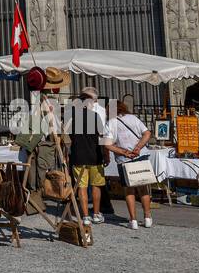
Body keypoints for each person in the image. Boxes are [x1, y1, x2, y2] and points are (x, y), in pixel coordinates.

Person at [65, 87, 111, 225]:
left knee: (82, 187)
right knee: (96, 186)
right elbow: (102, 137)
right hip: (95, 155)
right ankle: (96, 214)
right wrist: (106, 154)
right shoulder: (95, 116)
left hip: (78, 155)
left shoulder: (71, 118)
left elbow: (69, 138)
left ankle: (85, 216)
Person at [108, 95, 152, 229]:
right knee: (143, 188)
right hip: (140, 156)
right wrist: (138, 147)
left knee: (129, 191)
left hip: (124, 159)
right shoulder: (133, 118)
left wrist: (124, 152)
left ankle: (133, 220)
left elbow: (107, 145)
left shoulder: (110, 123)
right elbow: (147, 133)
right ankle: (147, 217)